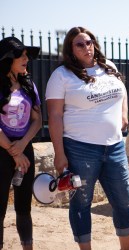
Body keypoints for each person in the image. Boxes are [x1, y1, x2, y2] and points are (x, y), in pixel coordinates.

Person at [45, 27, 129, 250]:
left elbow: (122, 90)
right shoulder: (61, 75)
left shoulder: (109, 66)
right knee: (82, 203)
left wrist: (124, 114)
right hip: (80, 149)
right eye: (80, 44)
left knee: (124, 201)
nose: (87, 47)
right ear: (70, 50)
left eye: (89, 42)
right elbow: (55, 116)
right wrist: (59, 154)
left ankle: (127, 248)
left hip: (114, 146)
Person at [0, 37, 42, 250]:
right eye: (22, 55)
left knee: (24, 207)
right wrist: (12, 150)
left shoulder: (29, 84)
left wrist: (23, 144)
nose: (26, 59)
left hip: (25, 150)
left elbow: (37, 120)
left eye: (27, 55)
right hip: (2, 150)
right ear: (8, 59)